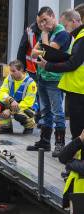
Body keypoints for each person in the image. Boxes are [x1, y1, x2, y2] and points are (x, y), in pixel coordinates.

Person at [27, 6, 72, 157]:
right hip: (42, 77)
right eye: (40, 23)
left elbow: (49, 52)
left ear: (53, 16)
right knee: (45, 110)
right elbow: (33, 53)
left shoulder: (61, 33)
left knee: (58, 112)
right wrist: (43, 49)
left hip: (54, 79)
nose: (42, 25)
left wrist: (44, 35)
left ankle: (60, 144)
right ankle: (45, 141)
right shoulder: (46, 34)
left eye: (45, 20)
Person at [37, 9, 84, 140]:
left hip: (78, 89)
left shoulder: (79, 37)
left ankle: (77, 157)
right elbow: (36, 51)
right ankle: (76, 155)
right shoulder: (78, 37)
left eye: (66, 25)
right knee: (74, 124)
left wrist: (48, 65)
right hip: (76, 87)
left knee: (76, 125)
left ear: (74, 21)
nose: (65, 28)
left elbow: (72, 64)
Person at [0, 59, 37, 134]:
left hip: (26, 107)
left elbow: (27, 103)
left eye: (13, 71)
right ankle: (6, 127)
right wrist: (10, 100)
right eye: (10, 71)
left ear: (21, 70)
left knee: (19, 115)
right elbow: (1, 93)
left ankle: (29, 125)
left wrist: (10, 111)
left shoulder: (31, 83)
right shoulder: (9, 79)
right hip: (12, 103)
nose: (11, 73)